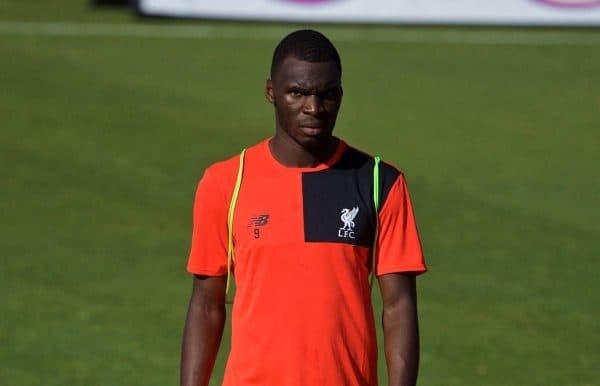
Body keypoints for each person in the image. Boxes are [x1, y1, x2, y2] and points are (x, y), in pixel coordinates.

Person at [180, 29, 427, 386]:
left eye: (326, 95)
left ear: (340, 95)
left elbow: (399, 306)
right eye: (297, 93)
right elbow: (205, 305)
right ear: (271, 93)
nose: (313, 108)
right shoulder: (225, 182)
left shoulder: (379, 182)